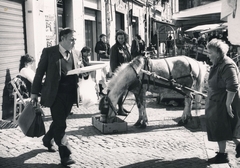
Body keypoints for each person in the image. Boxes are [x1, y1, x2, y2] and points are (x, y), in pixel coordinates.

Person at [31, 28, 87, 166]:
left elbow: (78, 71)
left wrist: (84, 73)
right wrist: (34, 93)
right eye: (71, 39)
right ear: (62, 38)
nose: (74, 42)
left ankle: (47, 139)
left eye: (75, 39)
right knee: (61, 124)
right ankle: (65, 155)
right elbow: (39, 73)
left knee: (59, 121)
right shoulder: (49, 52)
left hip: (70, 94)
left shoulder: (75, 53)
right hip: (55, 95)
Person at [205, 38, 240, 164]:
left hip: (223, 102)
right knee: (223, 128)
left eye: (210, 53)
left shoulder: (227, 65)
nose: (208, 56)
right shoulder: (219, 63)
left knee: (223, 128)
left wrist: (228, 103)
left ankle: (222, 155)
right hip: (217, 102)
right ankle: (225, 152)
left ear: (219, 53)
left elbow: (233, 86)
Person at [110, 29, 131, 116]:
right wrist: (116, 74)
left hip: (126, 72)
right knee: (120, 91)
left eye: (122, 38)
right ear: (116, 38)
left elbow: (129, 58)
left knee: (124, 91)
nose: (120, 40)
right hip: (119, 73)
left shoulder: (125, 47)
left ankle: (121, 107)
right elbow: (113, 62)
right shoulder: (114, 48)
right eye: (119, 38)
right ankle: (120, 109)